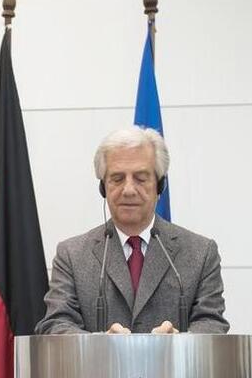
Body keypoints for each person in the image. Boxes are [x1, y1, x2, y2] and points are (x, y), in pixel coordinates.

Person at [37, 127, 228, 335]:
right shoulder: (72, 255)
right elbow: (56, 324)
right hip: (99, 368)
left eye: (140, 178)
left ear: (160, 185)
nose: (128, 190)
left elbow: (211, 322)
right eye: (117, 179)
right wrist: (100, 344)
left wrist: (179, 344)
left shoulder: (201, 252)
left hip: (173, 368)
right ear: (103, 187)